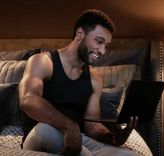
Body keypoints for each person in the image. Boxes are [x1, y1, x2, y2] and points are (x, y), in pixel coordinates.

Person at [19, 9, 139, 156]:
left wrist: (114, 137)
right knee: (48, 130)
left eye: (106, 45)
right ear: (80, 34)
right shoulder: (43, 61)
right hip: (41, 133)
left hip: (78, 138)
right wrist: (69, 126)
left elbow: (92, 127)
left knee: (130, 155)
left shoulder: (95, 78)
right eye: (99, 41)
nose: (102, 50)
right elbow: (28, 100)